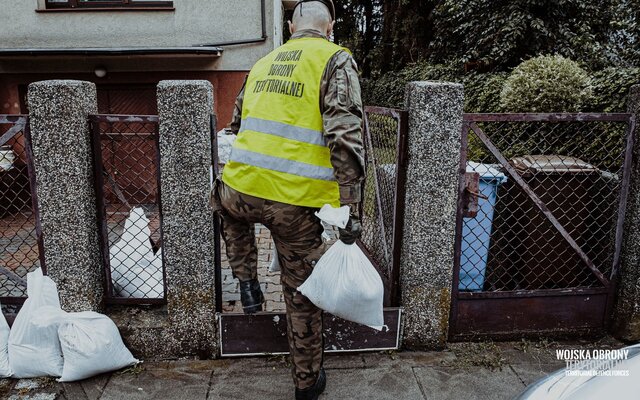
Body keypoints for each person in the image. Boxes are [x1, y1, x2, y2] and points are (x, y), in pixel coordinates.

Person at [212, 0, 364, 398]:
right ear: (329, 26)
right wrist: (350, 205)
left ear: (292, 25)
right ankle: (307, 382)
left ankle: (246, 283)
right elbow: (344, 133)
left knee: (224, 207)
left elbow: (238, 124)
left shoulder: (262, 64)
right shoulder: (335, 59)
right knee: (301, 292)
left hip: (240, 189)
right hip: (290, 206)